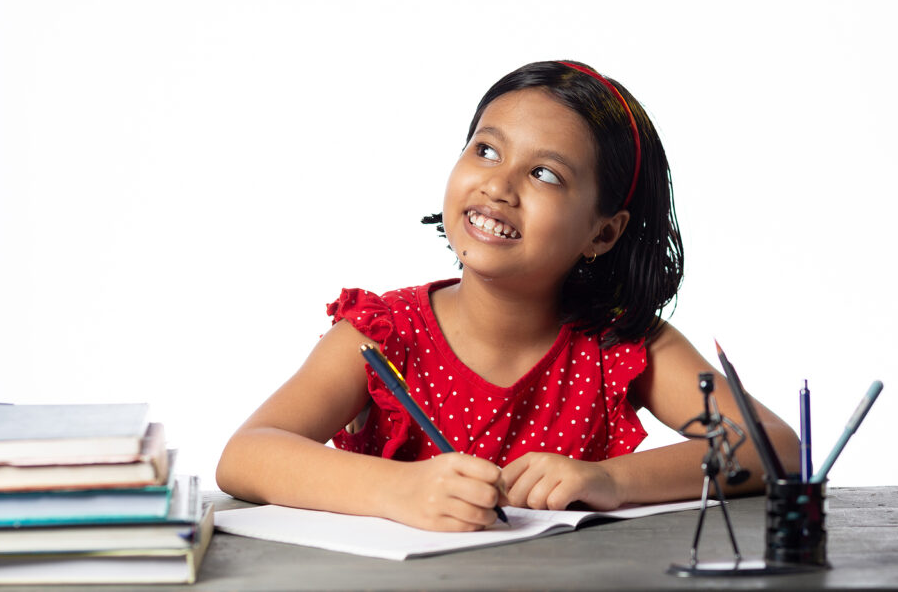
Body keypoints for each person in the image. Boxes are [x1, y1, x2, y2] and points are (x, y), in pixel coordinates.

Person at [216, 60, 800, 532]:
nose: (498, 185)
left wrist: (612, 481)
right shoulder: (383, 333)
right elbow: (245, 455)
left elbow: (775, 448)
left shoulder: (619, 345)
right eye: (486, 150)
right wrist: (399, 491)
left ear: (603, 232)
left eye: (545, 174)